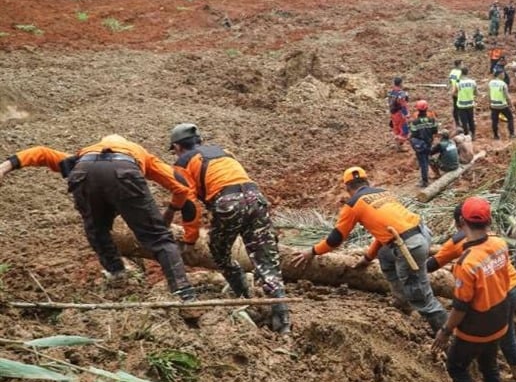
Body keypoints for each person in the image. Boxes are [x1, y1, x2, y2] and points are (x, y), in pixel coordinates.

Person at [0, 135, 196, 301]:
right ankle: (183, 292)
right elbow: (182, 187)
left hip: (84, 171)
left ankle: (118, 276)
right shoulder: (142, 155)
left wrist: (4, 167)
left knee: (97, 230)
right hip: (125, 171)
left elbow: (41, 153)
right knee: (159, 238)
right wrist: (176, 216)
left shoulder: (83, 155)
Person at [292, 167, 448, 332]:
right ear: (367, 182)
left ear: (347, 188)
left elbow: (335, 239)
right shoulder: (383, 193)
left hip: (409, 246)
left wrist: (312, 251)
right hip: (422, 234)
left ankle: (446, 333)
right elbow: (386, 234)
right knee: (385, 255)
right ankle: (402, 301)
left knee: (420, 295)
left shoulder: (354, 204)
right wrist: (368, 258)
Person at [167, 124, 290, 333]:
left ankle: (243, 296)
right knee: (266, 259)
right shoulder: (223, 152)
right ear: (199, 141)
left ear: (177, 147)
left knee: (220, 252)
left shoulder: (182, 163)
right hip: (255, 198)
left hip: (228, 202)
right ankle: (282, 317)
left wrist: (190, 238)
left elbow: (189, 204)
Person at [431, 197, 511, 382]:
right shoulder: (500, 244)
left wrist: (445, 331)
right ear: (489, 220)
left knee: (456, 367)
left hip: (477, 325)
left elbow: (461, 306)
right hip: (500, 316)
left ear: (461, 221)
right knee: (489, 362)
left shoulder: (467, 262)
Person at [427, 203, 516, 382]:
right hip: (512, 285)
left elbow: (433, 264)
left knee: (499, 332)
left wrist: (413, 266)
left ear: (460, 222)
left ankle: (515, 373)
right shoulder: (491, 237)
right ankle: (513, 370)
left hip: (499, 292)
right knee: (504, 332)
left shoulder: (457, 242)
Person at [408, 100, 438, 187]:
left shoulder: (415, 122)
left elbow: (414, 134)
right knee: (427, 158)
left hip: (420, 145)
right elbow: (435, 131)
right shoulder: (432, 120)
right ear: (426, 108)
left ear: (418, 110)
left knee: (423, 162)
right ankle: (435, 173)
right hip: (429, 142)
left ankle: (425, 181)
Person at [489, 70, 516, 140]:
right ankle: (511, 134)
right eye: (503, 74)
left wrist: (489, 103)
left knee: (494, 121)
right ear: (500, 74)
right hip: (502, 105)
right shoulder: (503, 84)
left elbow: (489, 94)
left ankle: (495, 136)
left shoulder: (491, 83)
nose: (504, 75)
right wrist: (511, 105)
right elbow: (507, 96)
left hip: (494, 105)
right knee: (510, 118)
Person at [452, 67, 477, 139]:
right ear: (467, 73)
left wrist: (459, 95)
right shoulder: (473, 82)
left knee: (464, 121)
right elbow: (476, 93)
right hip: (470, 104)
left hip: (461, 105)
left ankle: (466, 135)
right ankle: (473, 134)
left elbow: (453, 93)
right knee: (471, 119)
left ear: (461, 73)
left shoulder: (458, 83)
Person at [387, 76, 410, 151]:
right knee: (404, 130)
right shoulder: (401, 94)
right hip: (400, 114)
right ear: (401, 83)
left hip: (393, 113)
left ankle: (397, 145)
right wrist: (406, 114)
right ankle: (400, 146)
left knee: (396, 129)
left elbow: (390, 103)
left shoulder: (391, 92)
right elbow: (403, 105)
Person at [448, 60, 463, 130]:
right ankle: (461, 122)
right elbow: (460, 83)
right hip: (459, 92)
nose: (463, 65)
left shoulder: (452, 71)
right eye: (462, 64)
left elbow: (450, 81)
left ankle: (457, 122)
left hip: (453, 91)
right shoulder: (460, 72)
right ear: (459, 64)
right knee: (461, 107)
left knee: (455, 107)